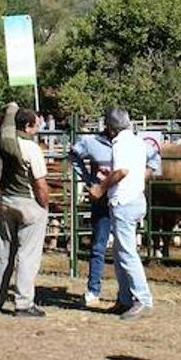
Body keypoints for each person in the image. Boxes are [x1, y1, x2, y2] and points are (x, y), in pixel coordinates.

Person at [86, 108, 153, 320]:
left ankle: (142, 298)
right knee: (120, 251)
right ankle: (125, 298)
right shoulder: (138, 142)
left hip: (123, 201)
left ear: (111, 127)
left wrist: (100, 188)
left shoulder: (120, 144)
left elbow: (121, 171)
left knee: (126, 253)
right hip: (135, 199)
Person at [0, 103, 50, 317]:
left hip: (7, 200)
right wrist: (44, 204)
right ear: (29, 126)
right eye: (36, 125)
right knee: (27, 255)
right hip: (29, 203)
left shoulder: (5, 145)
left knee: (4, 253)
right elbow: (40, 183)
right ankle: (23, 302)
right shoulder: (32, 148)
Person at [69, 125, 114, 307]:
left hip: (123, 198)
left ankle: (128, 292)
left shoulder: (127, 142)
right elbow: (73, 154)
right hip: (102, 198)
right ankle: (93, 290)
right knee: (98, 245)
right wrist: (88, 179)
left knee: (126, 247)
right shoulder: (91, 142)